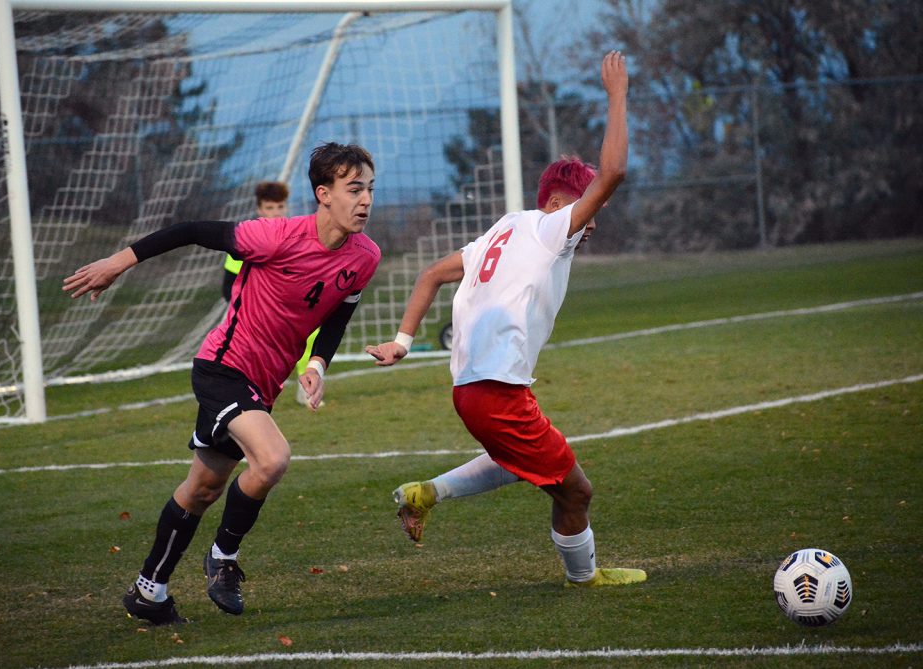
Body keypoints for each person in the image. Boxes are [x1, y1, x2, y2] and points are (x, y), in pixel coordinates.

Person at [64, 142, 380, 625]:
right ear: (324, 194)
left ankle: (149, 591)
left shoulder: (365, 256)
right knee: (272, 459)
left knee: (203, 488)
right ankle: (223, 558)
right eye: (354, 189)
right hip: (222, 368)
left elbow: (338, 314)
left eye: (370, 189)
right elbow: (190, 230)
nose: (366, 200)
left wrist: (317, 364)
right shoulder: (274, 236)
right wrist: (116, 263)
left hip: (263, 384)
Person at [366, 51, 644, 588]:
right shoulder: (551, 228)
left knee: (518, 460)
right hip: (495, 392)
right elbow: (614, 172)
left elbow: (430, 274)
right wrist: (617, 95)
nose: (593, 220)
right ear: (560, 203)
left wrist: (403, 341)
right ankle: (585, 578)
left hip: (473, 390)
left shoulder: (506, 227)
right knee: (576, 491)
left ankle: (427, 493)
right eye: (588, 207)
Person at [221, 181, 321, 408]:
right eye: (269, 207)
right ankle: (245, 396)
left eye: (280, 207)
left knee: (312, 337)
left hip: (290, 310)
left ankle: (307, 390)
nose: (275, 213)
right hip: (255, 316)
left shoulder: (298, 237)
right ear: (259, 209)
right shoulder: (247, 239)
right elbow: (227, 287)